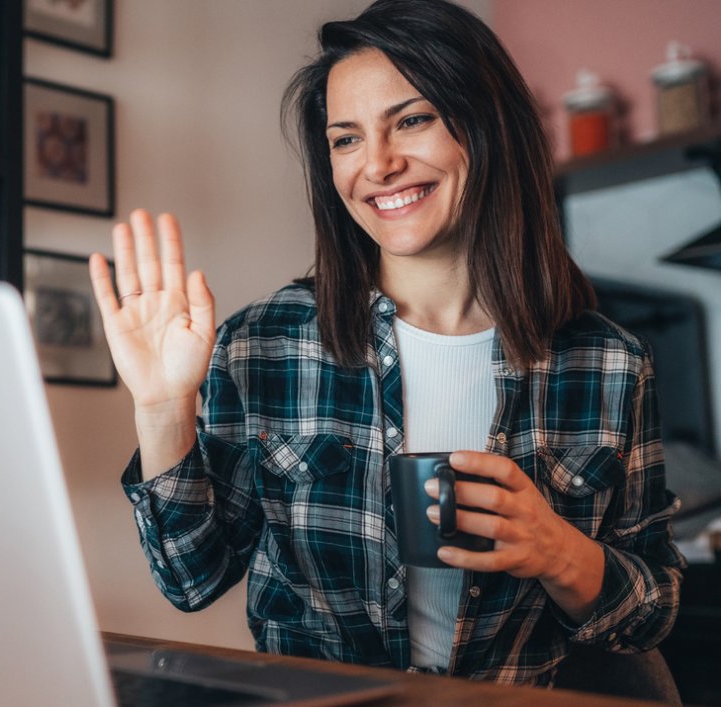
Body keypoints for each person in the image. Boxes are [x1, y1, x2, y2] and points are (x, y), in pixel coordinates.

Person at [87, 0, 685, 687]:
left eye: (412, 119)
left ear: (486, 126)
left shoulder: (610, 363)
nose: (379, 163)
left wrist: (560, 552)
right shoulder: (263, 345)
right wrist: (163, 410)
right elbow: (191, 579)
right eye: (345, 139)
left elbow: (651, 613)